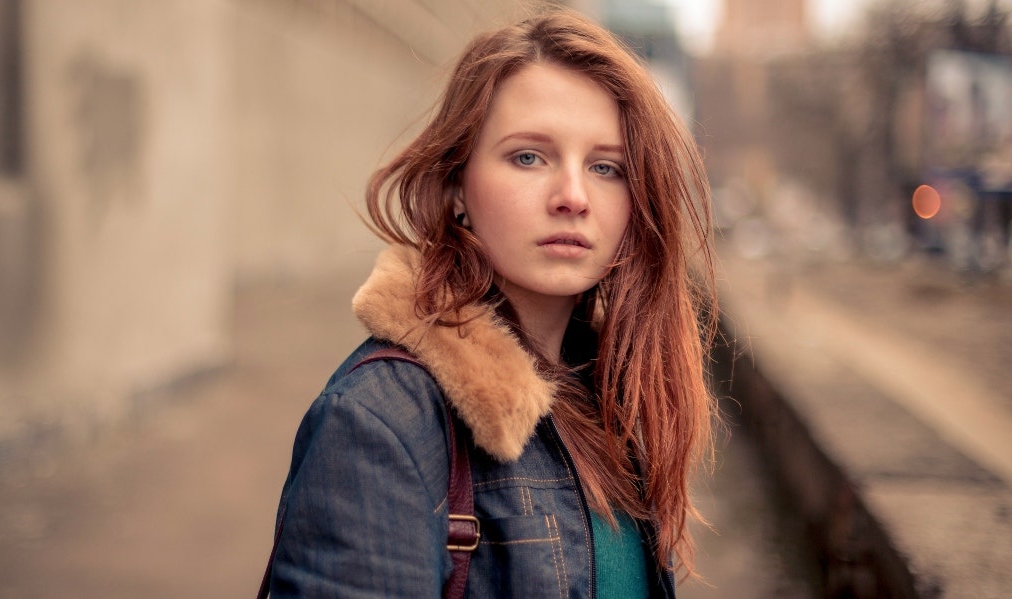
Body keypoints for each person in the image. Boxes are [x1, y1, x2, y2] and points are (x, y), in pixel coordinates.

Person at [261, 8, 716, 598]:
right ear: (456, 185)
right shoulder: (380, 422)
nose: (573, 196)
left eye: (607, 167)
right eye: (529, 156)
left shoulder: (613, 396)